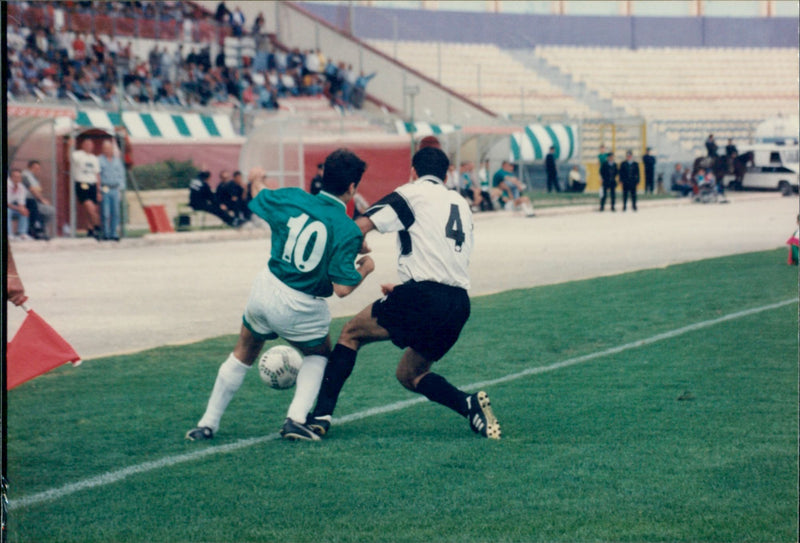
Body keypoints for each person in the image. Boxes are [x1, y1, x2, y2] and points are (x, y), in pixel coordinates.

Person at [307, 146, 501, 440]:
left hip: (424, 297)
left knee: (350, 334)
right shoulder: (460, 203)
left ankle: (319, 416)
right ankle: (468, 405)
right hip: (458, 304)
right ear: (447, 174)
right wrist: (405, 287)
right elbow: (444, 256)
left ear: (413, 172)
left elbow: (361, 225)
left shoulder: (412, 193)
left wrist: (353, 246)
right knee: (410, 374)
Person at [186, 149, 374, 442]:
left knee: (244, 351)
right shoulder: (347, 228)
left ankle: (207, 424)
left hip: (266, 288)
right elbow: (342, 288)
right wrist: (366, 267)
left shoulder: (292, 197)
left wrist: (256, 179)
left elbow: (259, 196)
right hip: (300, 304)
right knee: (319, 355)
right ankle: (295, 419)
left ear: (323, 178)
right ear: (352, 187)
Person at [72, 138, 102, 238]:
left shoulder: (94, 158)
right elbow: (69, 158)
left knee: (91, 210)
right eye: (87, 144)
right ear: (83, 145)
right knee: (90, 208)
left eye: (90, 144)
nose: (89, 146)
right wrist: (69, 145)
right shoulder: (78, 155)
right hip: (82, 183)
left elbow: (97, 174)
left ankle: (90, 229)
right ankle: (98, 226)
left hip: (92, 184)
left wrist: (98, 191)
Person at [21, 160, 55, 240]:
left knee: (50, 210)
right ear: (30, 167)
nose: (37, 170)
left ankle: (41, 228)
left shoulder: (34, 177)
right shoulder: (25, 175)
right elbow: (31, 189)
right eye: (35, 168)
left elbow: (38, 190)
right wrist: (42, 200)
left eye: (38, 168)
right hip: (27, 201)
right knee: (46, 210)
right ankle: (37, 230)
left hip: (35, 201)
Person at [98, 140, 126, 241]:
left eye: (109, 148)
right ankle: (106, 233)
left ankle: (114, 233)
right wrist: (99, 190)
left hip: (115, 189)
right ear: (103, 149)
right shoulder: (99, 160)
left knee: (116, 213)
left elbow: (121, 175)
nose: (107, 150)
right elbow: (98, 175)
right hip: (105, 188)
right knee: (105, 213)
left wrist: (121, 189)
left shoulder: (117, 160)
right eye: (105, 148)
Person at [7, 169, 31, 240]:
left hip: (12, 207)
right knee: (7, 212)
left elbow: (21, 202)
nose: (17, 178)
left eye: (19, 177)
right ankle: (9, 234)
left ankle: (22, 234)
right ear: (11, 177)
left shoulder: (21, 187)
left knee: (24, 212)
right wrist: (18, 208)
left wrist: (23, 209)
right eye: (15, 176)